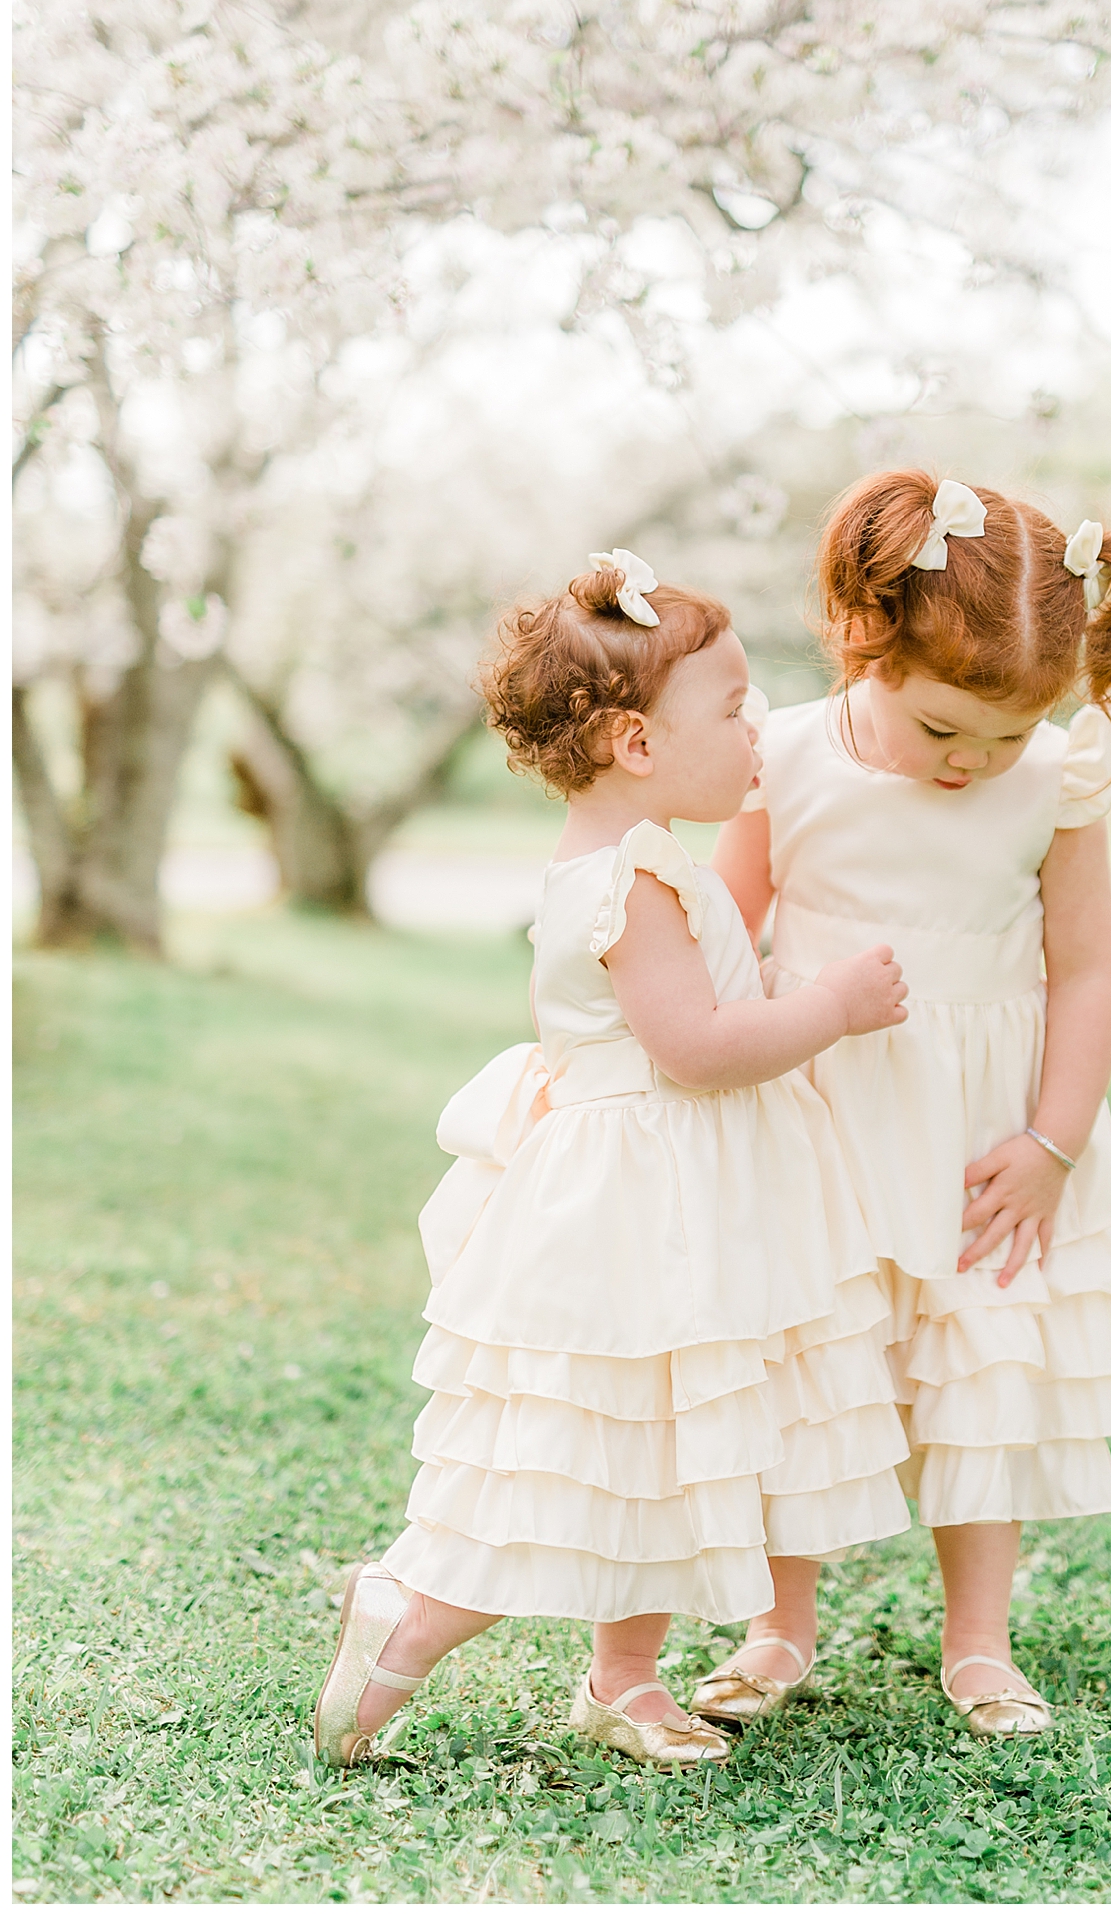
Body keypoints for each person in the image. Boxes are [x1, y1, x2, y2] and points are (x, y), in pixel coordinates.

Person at [314, 550, 911, 1772]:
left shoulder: (629, 859)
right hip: (642, 1206)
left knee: (655, 1452)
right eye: (735, 708)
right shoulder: (634, 878)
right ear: (638, 743)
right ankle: (407, 1612)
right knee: (570, 1464)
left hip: (672, 1197)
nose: (758, 730)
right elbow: (694, 1050)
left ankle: (622, 1676)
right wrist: (834, 1008)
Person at [705, 473, 1111, 1738]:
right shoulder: (782, 755)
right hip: (822, 1102)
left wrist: (1053, 1142)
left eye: (1005, 738)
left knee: (981, 1360)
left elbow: (1090, 967)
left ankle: (980, 1639)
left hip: (987, 1123)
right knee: (812, 1361)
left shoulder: (1058, 780)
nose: (977, 764)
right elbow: (733, 935)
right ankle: (777, 1622)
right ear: (870, 642)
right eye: (948, 730)